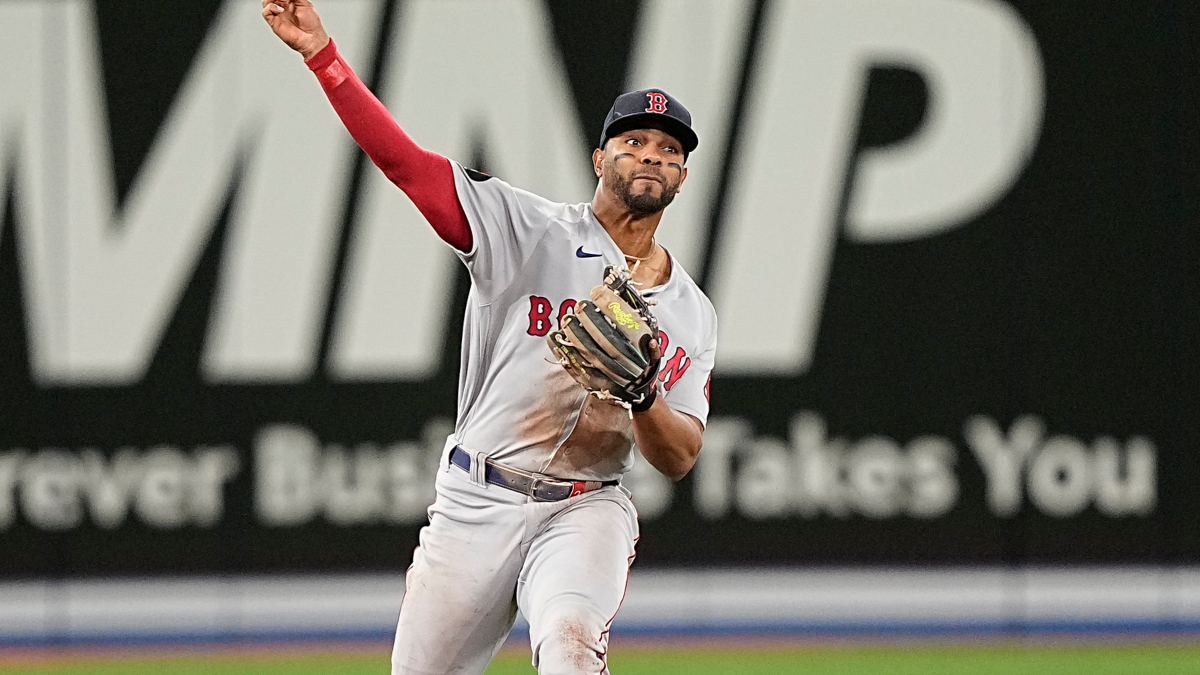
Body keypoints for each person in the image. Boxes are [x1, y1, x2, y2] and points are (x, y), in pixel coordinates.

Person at [263, 2, 717, 673]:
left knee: (569, 646)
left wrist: (645, 394)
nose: (652, 153)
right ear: (600, 158)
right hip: (477, 500)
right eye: (634, 141)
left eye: (669, 150)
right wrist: (324, 58)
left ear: (680, 177)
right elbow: (407, 166)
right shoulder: (525, 230)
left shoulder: (689, 309)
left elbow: (680, 456)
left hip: (585, 509)